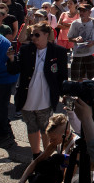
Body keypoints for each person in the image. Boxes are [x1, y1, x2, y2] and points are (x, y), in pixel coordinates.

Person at [6, 22, 69, 157]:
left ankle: (47, 155)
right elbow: (14, 70)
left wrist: (64, 94)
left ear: (46, 34)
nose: (33, 38)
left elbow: (62, 76)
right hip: (27, 95)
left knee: (46, 127)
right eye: (31, 35)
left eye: (36, 35)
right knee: (32, 127)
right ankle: (36, 155)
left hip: (45, 96)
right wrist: (11, 59)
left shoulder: (58, 51)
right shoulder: (26, 50)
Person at [8, 114, 75, 183]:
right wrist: (22, 181)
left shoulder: (74, 149)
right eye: (50, 139)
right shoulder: (58, 140)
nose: (51, 142)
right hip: (55, 181)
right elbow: (36, 161)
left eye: (53, 139)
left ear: (66, 133)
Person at [67, 4, 94, 81]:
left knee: (93, 79)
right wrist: (76, 39)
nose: (81, 13)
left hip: (92, 54)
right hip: (77, 55)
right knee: (76, 79)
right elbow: (69, 38)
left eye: (84, 11)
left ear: (89, 12)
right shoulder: (75, 23)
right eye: (80, 11)